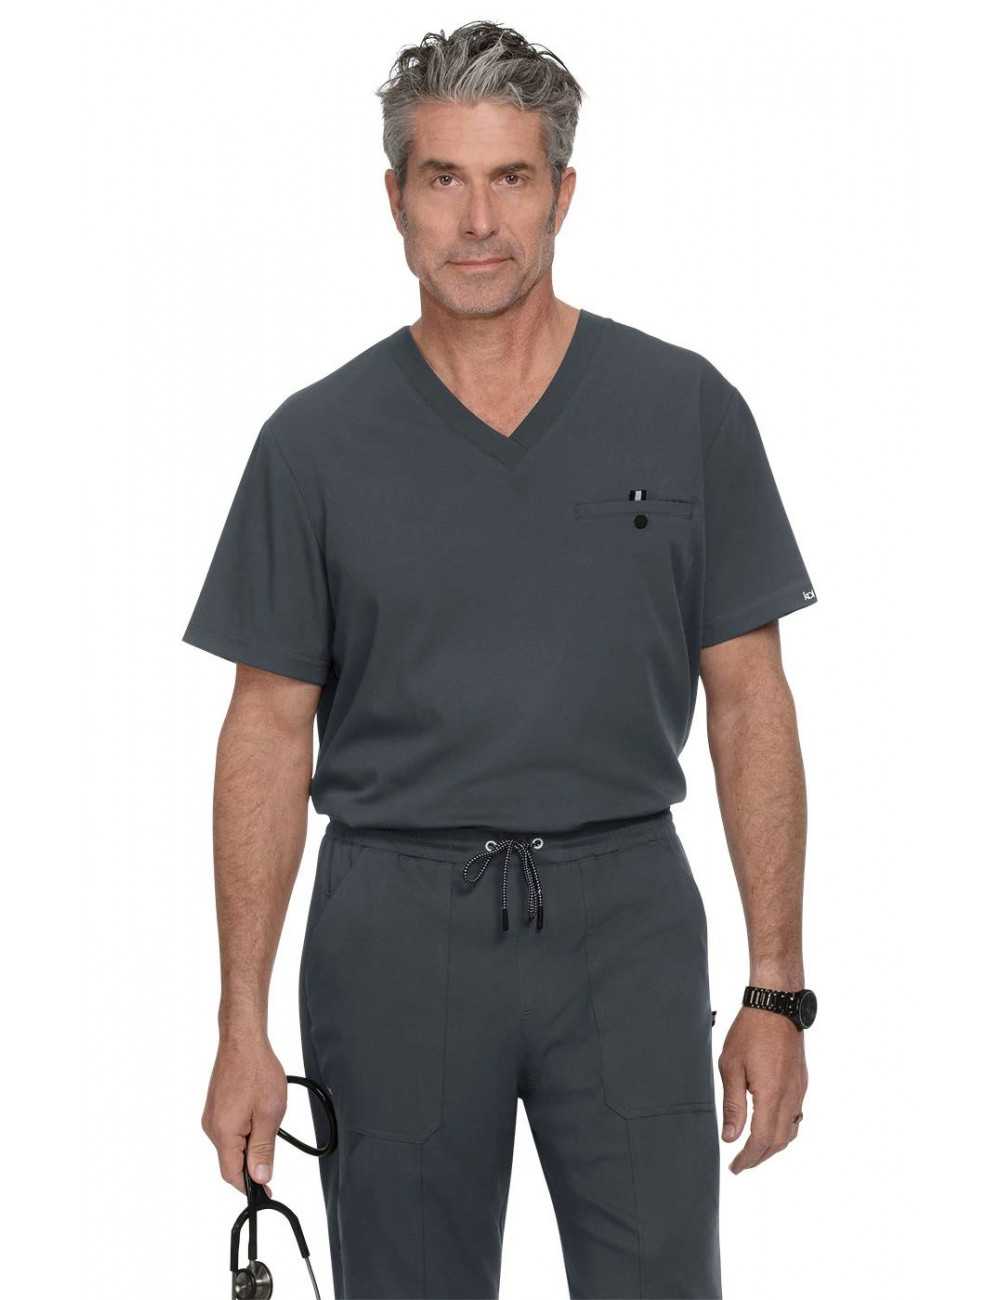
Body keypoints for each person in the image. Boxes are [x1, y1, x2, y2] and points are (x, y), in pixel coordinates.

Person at [185, 19, 819, 1300]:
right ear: (395, 198)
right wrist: (239, 1022)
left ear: (562, 192)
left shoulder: (684, 408)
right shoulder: (313, 444)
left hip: (625, 923)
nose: (478, 221)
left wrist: (777, 989)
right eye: (444, 179)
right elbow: (265, 726)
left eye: (511, 178)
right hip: (392, 930)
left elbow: (750, 698)